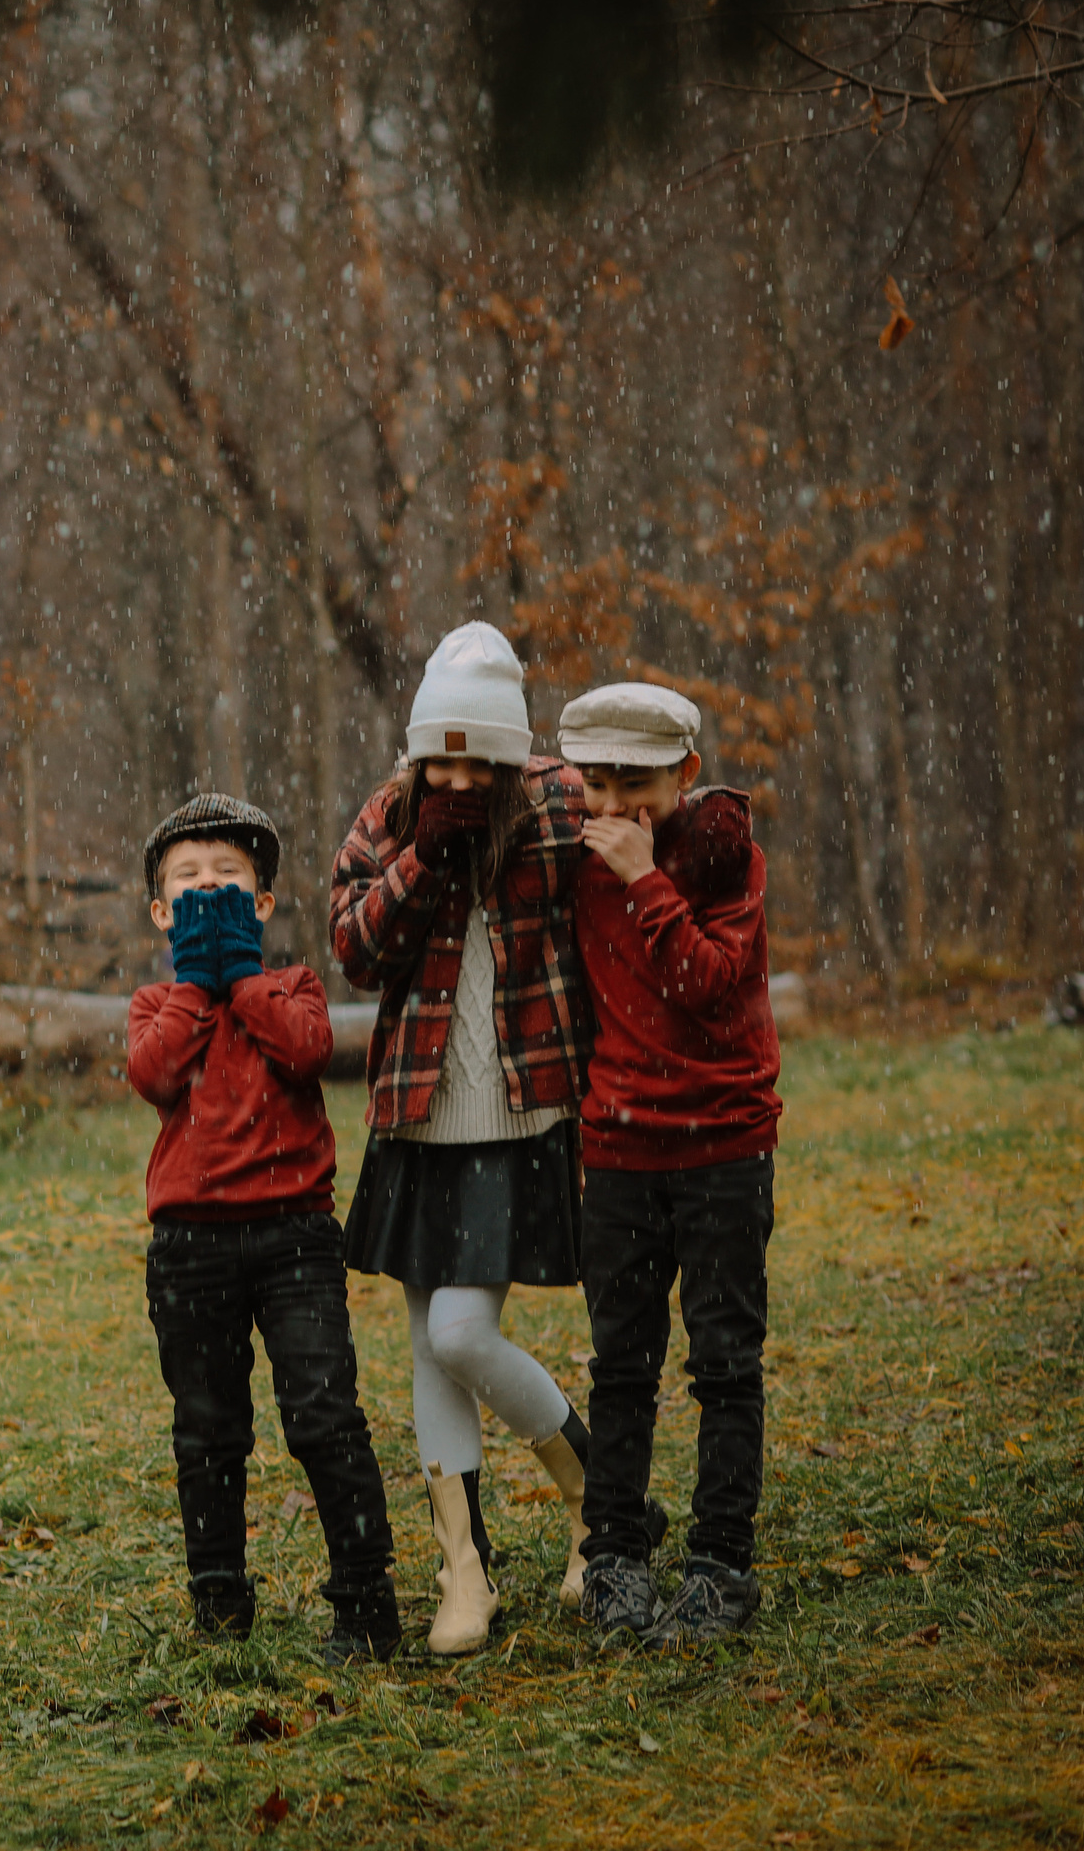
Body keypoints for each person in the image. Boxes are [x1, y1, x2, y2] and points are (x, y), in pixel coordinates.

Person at [328, 620, 612, 1657]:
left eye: (473, 762)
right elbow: (355, 948)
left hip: (520, 1113)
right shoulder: (391, 815)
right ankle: (464, 1569)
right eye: (438, 759)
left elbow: (637, 827)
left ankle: (597, 1502)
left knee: (459, 1333)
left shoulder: (557, 806)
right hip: (417, 1117)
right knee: (426, 1346)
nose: (455, 780)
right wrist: (422, 857)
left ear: (506, 752)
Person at [128, 795, 402, 1662]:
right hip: (189, 1249)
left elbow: (306, 1050)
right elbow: (154, 1073)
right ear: (161, 912)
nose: (209, 890)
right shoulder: (157, 1003)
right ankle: (219, 1603)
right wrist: (196, 982)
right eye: (189, 881)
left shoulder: (293, 988)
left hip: (295, 1238)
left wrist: (242, 973)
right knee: (208, 1430)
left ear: (263, 903)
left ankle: (366, 1600)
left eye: (229, 879)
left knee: (324, 1413)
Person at [559, 683, 781, 1650]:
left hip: (724, 1143)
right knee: (621, 1365)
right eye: (596, 784)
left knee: (724, 1363)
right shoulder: (573, 854)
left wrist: (647, 880)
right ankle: (613, 1556)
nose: (613, 807)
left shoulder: (724, 859)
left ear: (684, 774)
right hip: (618, 1148)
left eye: (636, 784)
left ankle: (720, 1565)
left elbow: (707, 985)